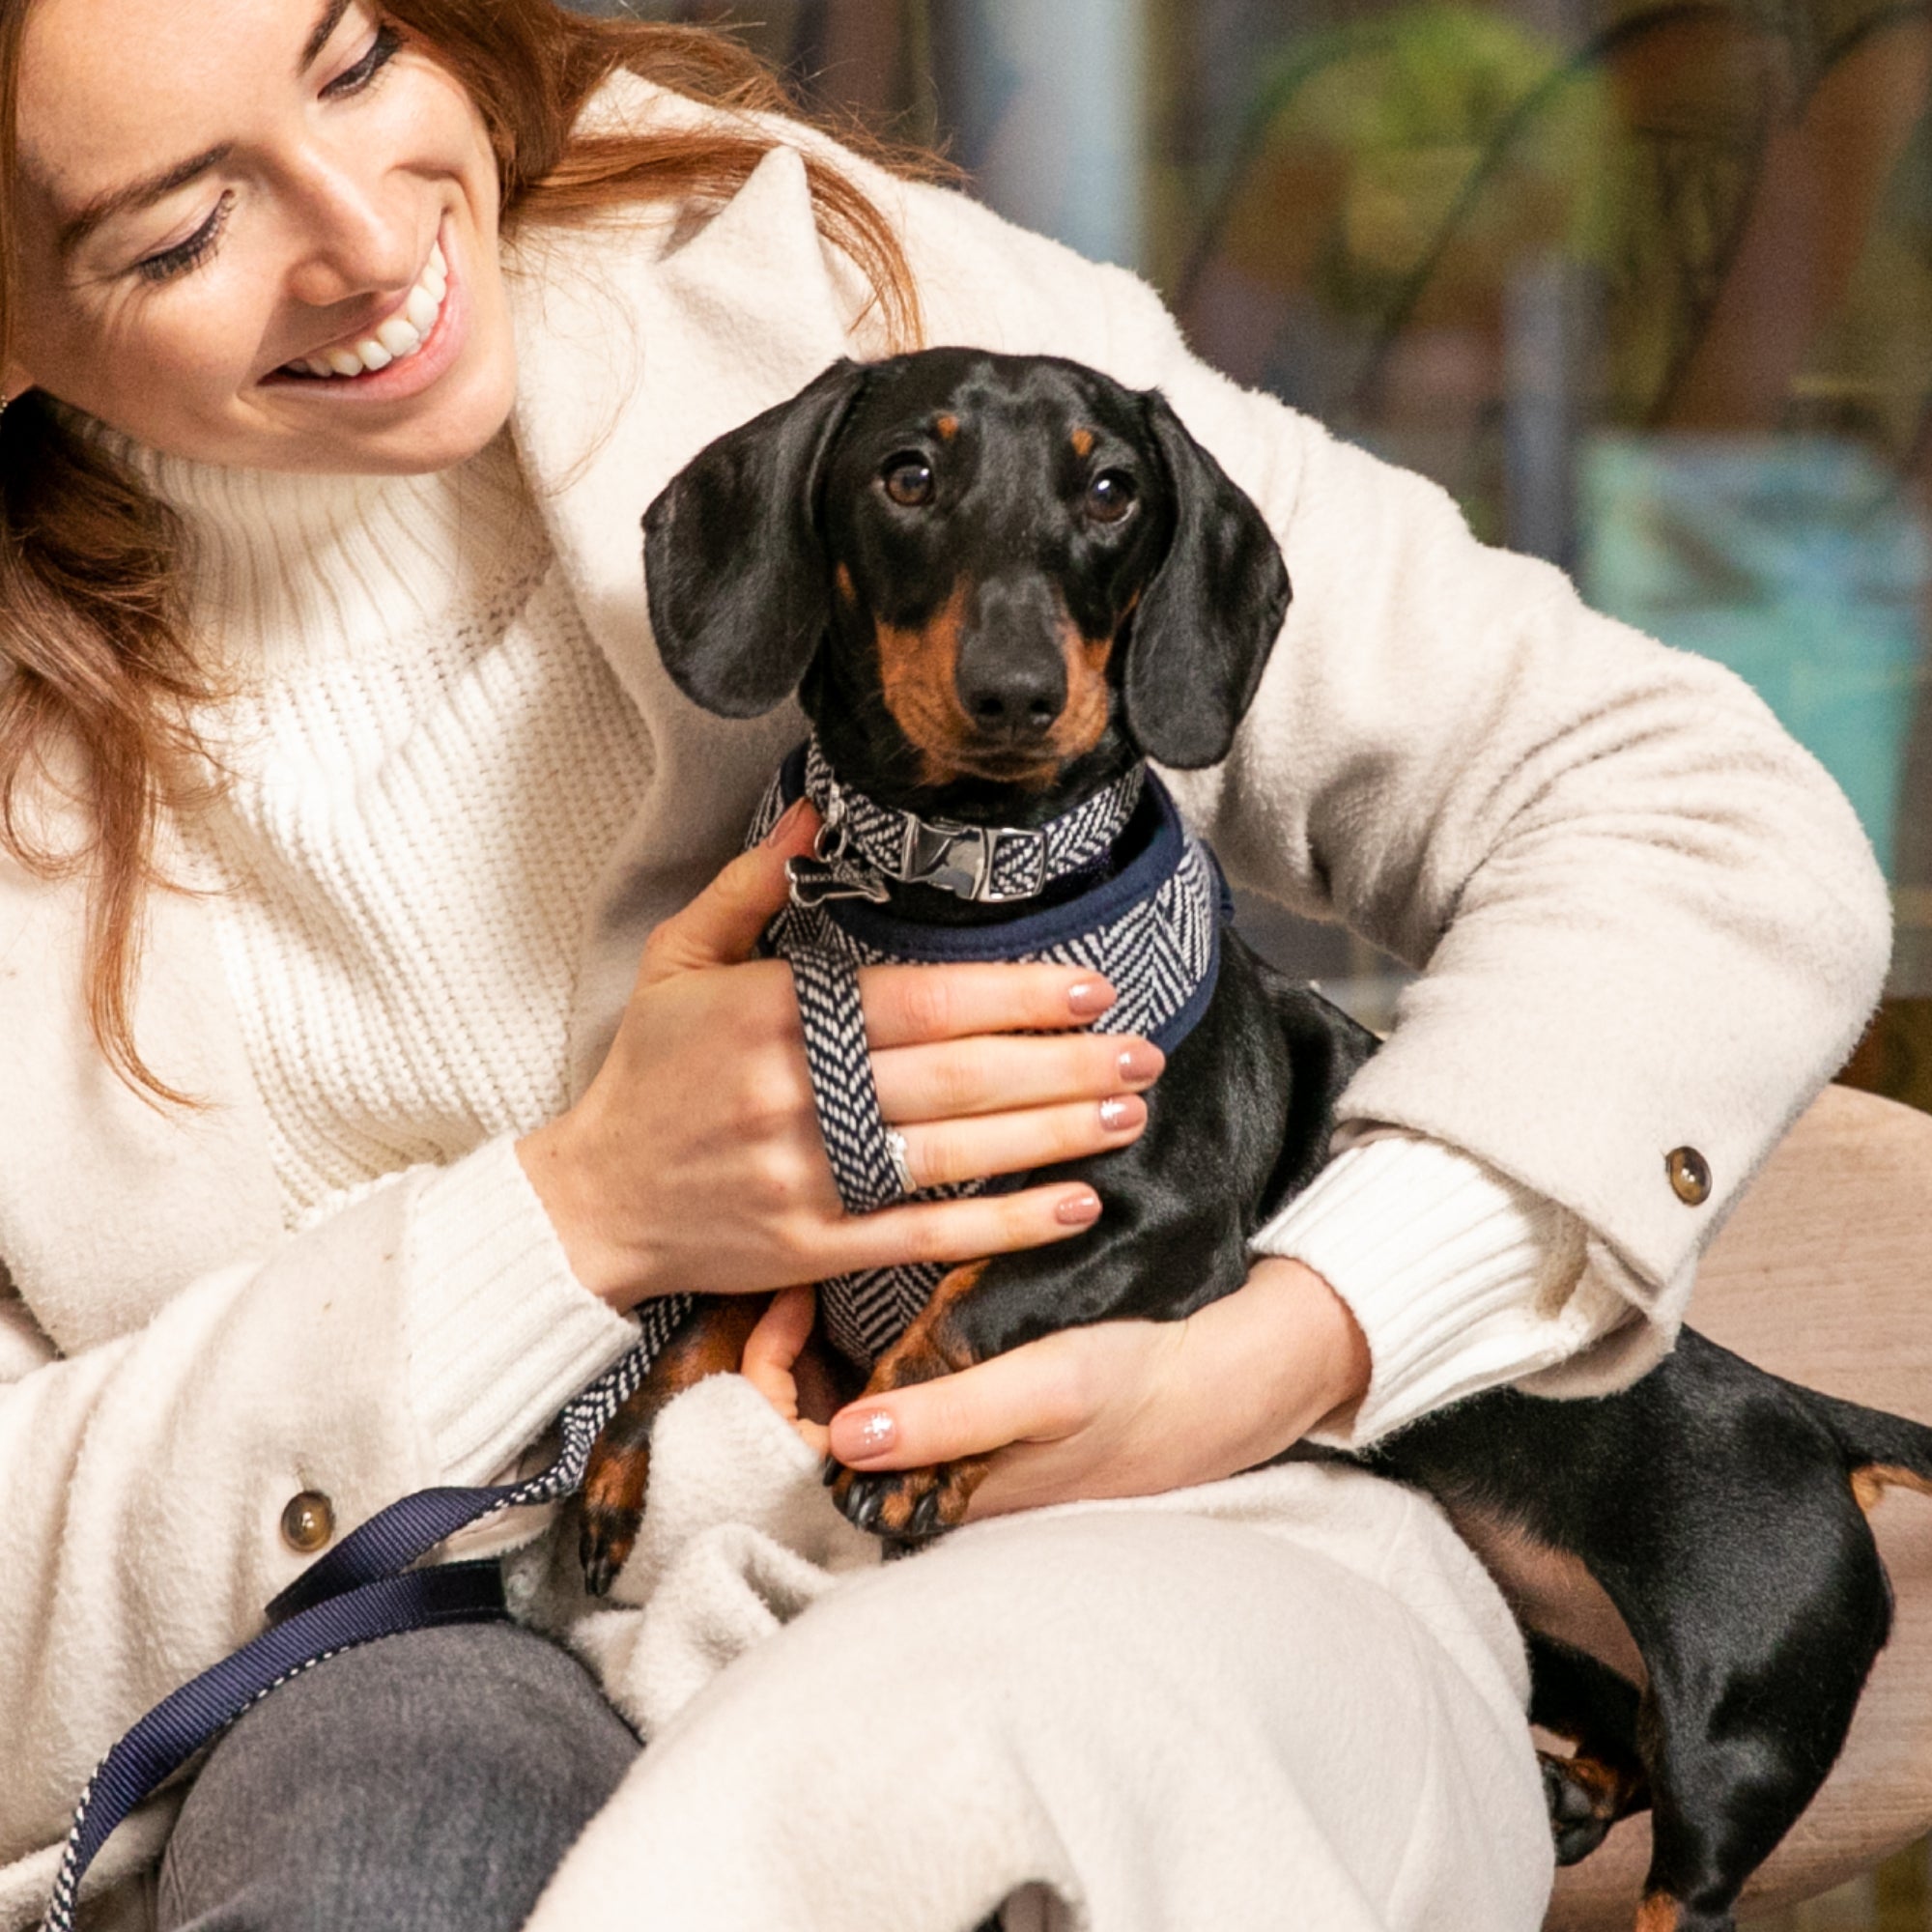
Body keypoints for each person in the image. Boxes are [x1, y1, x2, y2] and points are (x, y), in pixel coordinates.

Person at [0, 3, 1889, 1929]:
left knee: (986, 1794)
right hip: (410, 1646)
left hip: (1167, 1526)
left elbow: (1696, 817)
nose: (374, 236)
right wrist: (567, 1217)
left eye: (351, 62)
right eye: (175, 231)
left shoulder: (820, 292)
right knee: (371, 1864)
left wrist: (1291, 1339)